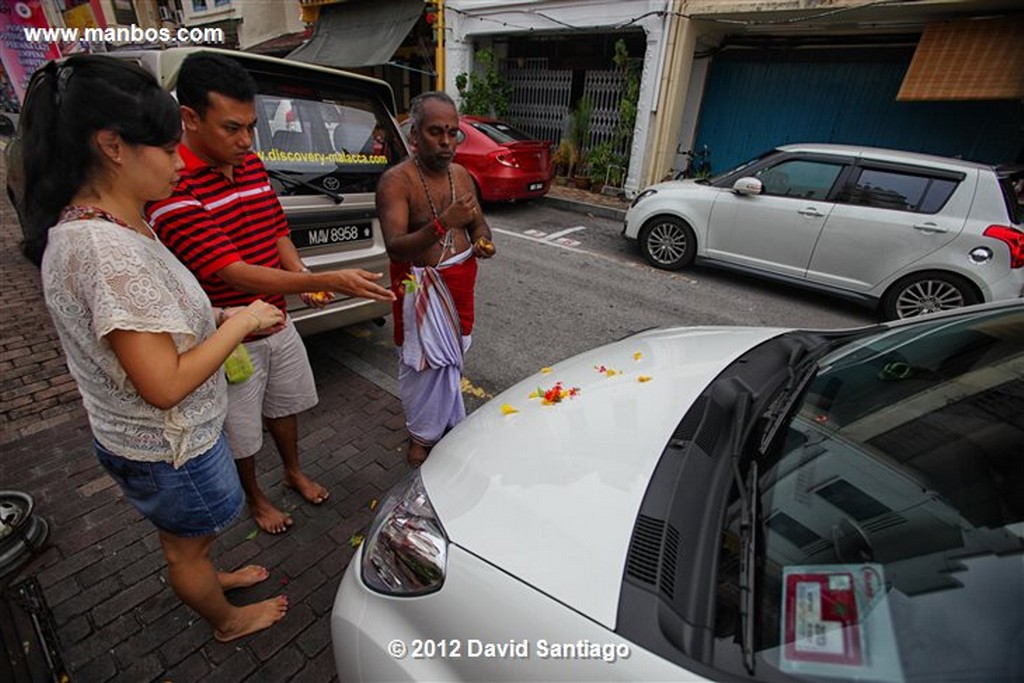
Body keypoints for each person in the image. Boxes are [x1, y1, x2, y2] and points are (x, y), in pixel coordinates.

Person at [22, 55, 287, 641]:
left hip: (153, 440)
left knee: (191, 541)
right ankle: (225, 619)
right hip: (170, 450)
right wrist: (238, 324)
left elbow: (158, 320)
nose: (178, 162)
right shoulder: (105, 250)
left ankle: (212, 575)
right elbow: (163, 382)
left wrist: (218, 314)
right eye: (168, 150)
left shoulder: (114, 224)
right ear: (113, 146)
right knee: (184, 551)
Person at [146, 53, 395, 535]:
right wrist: (327, 279)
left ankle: (293, 469)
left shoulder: (251, 162)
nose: (246, 141)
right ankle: (255, 497)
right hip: (229, 336)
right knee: (240, 431)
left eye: (252, 127)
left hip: (278, 321)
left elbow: (276, 226)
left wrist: (298, 269)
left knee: (286, 406)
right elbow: (233, 273)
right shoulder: (172, 184)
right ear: (190, 118)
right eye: (232, 128)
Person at [376, 91, 496, 468]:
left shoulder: (461, 175)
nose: (446, 141)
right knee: (420, 367)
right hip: (420, 290)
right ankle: (420, 435)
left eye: (452, 132)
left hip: (459, 284)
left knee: (452, 359)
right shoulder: (395, 182)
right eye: (435, 132)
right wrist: (445, 222)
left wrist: (482, 240)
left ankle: (443, 424)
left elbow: (477, 221)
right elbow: (396, 247)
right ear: (414, 135)